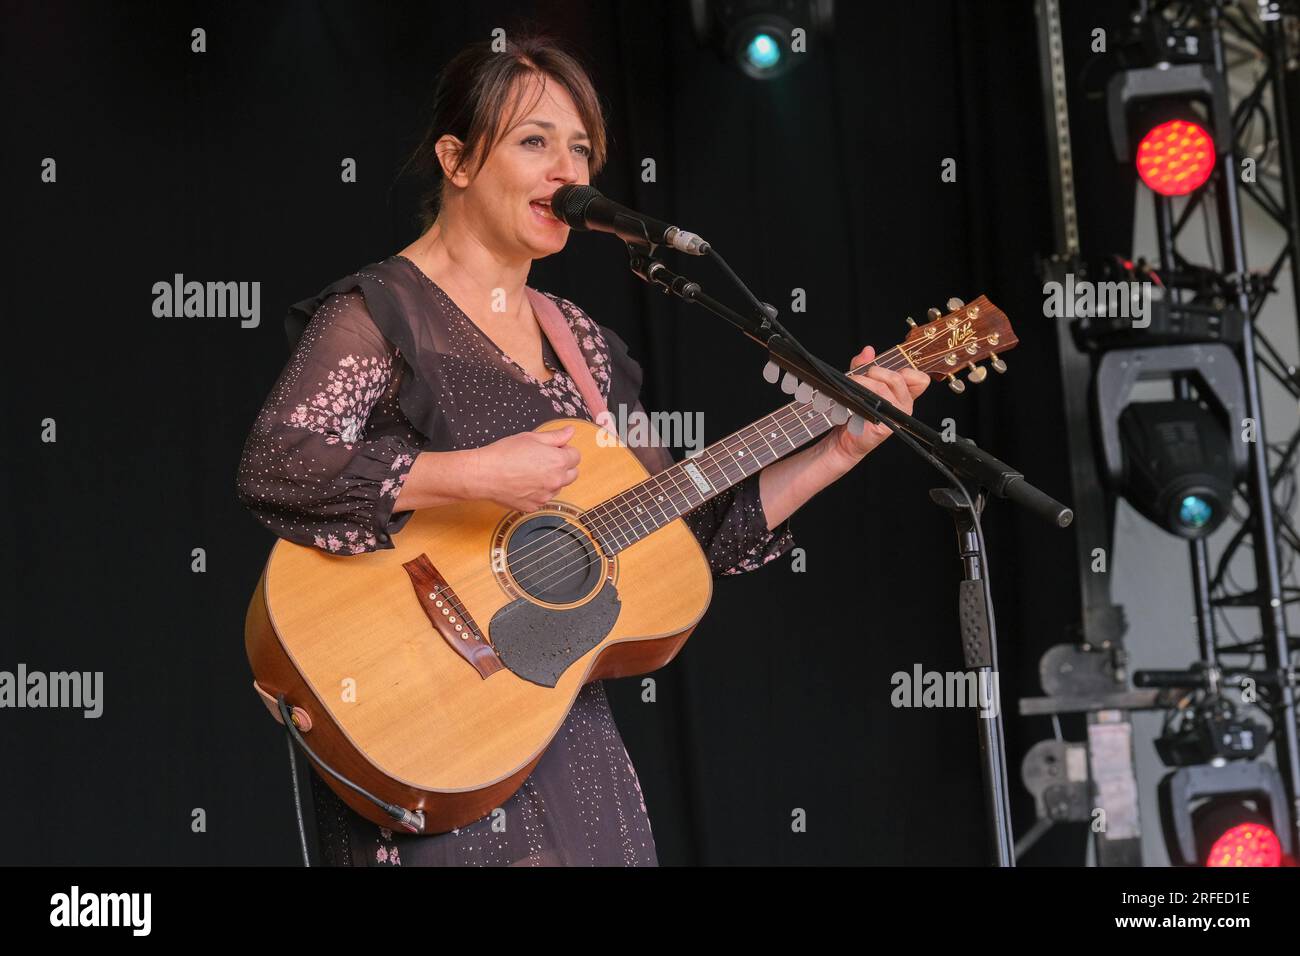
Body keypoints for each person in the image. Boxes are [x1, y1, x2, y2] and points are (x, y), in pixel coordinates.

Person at [236, 33, 929, 866]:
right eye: (535, 142)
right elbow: (277, 466)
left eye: (581, 150)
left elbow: (692, 530)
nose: (569, 171)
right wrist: (472, 476)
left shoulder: (583, 347)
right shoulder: (381, 311)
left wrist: (836, 453)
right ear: (456, 160)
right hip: (427, 723)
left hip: (560, 739)